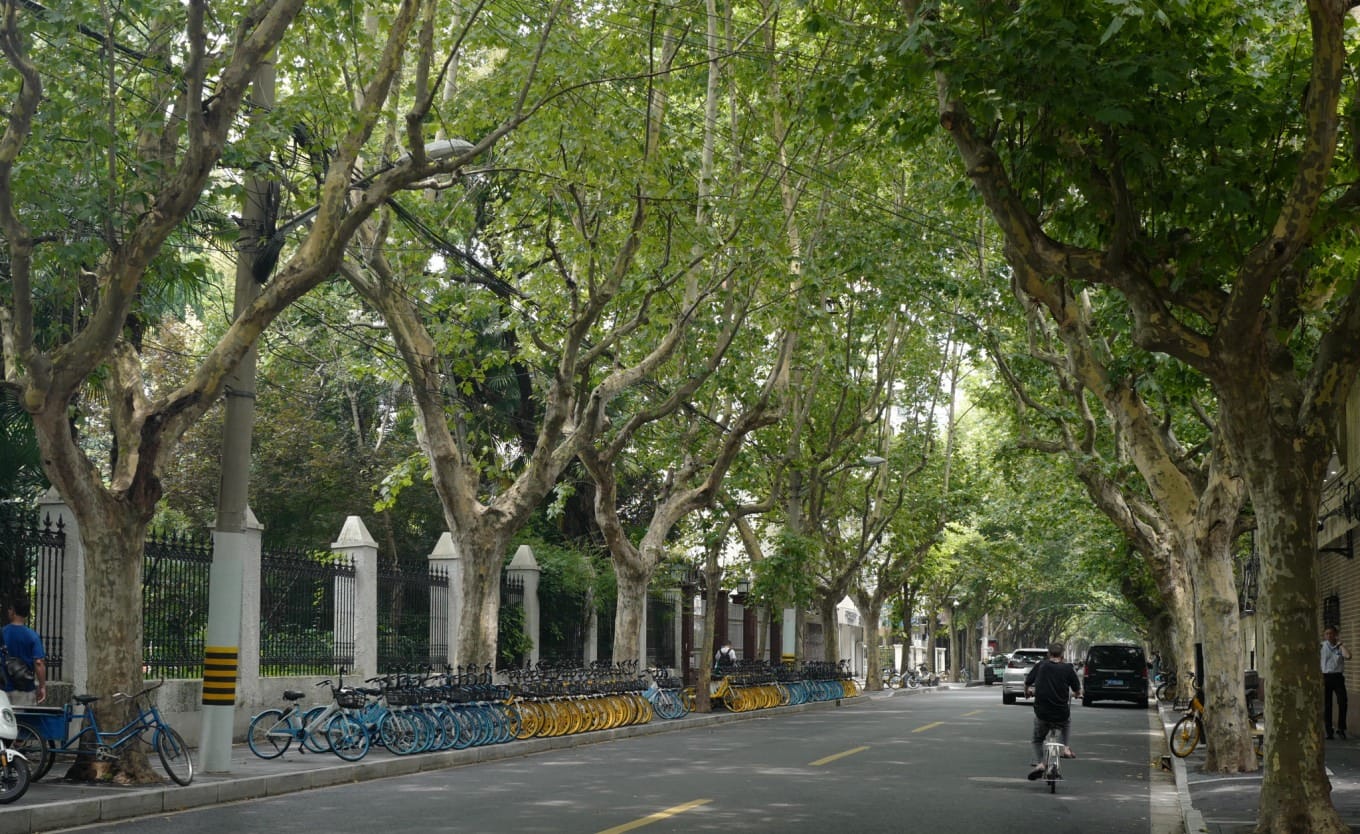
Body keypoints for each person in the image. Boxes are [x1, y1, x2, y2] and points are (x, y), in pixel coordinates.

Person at [1024, 642, 1081, 780]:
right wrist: (1077, 694)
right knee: (1066, 722)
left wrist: (1027, 693)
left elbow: (1027, 682)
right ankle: (1065, 747)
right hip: (1061, 714)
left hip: (1042, 714)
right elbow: (1077, 691)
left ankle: (1041, 763)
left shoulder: (1041, 665)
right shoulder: (1068, 668)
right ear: (1063, 655)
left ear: (1049, 654)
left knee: (1037, 740)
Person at [3, 599, 46, 705]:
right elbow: (39, 663)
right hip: (25, 690)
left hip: (3, 690)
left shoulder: (2, 633)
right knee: (25, 721)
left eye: (9, 609)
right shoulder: (32, 636)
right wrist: (42, 686)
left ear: (12, 611)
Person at [1322, 625, 1350, 740]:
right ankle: (1329, 731)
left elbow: (1348, 656)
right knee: (1327, 705)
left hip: (1338, 677)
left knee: (1342, 702)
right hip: (1325, 677)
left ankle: (1341, 728)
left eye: (1331, 633)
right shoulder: (1321, 646)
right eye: (1327, 634)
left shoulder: (1340, 647)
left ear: (1335, 635)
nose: (1329, 636)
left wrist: (1341, 645)